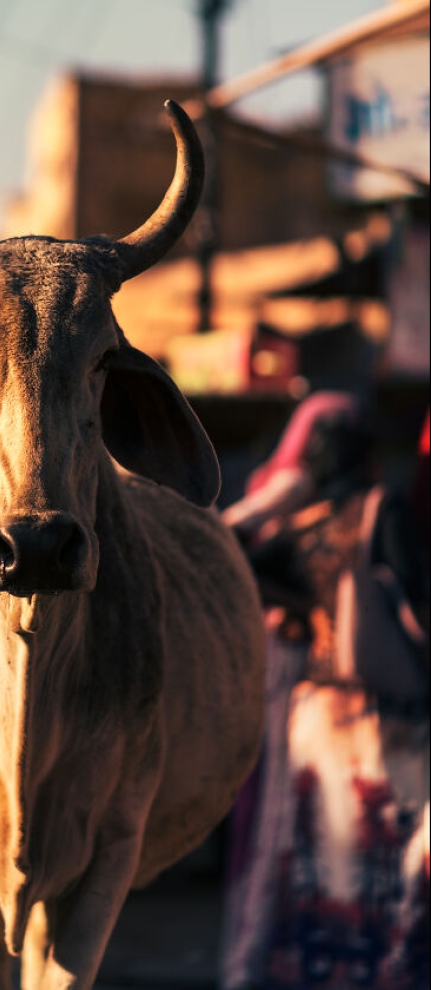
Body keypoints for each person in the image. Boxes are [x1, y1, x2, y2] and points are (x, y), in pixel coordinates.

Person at [219, 392, 430, 990]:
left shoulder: (302, 527)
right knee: (390, 858)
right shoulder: (380, 508)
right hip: (377, 708)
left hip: (314, 708)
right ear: (367, 455)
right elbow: (416, 604)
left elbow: (228, 551)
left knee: (320, 859)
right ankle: (387, 971)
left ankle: (325, 972)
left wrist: (269, 506)